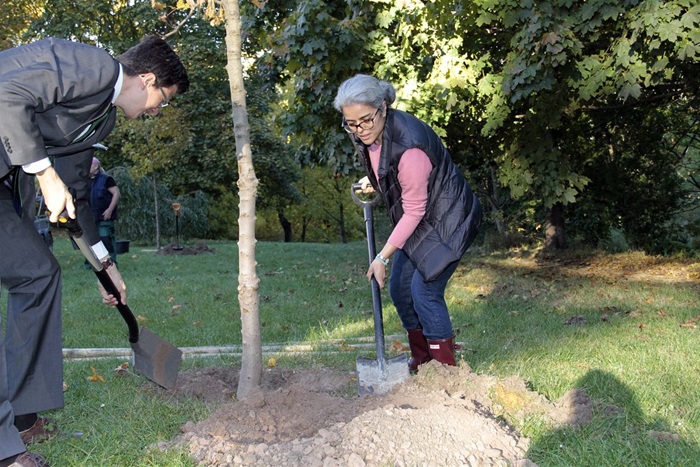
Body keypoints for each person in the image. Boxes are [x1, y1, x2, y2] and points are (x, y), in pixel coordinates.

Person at [0, 35, 189, 467]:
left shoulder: (100, 120)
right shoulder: (90, 65)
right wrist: (44, 174)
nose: (159, 110)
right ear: (147, 79)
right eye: (164, 98)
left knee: (38, 274)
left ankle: (22, 416)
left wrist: (105, 265)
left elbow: (78, 201)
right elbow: (6, 93)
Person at [334, 74, 482, 374]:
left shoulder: (410, 147)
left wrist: (381, 258)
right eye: (351, 123)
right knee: (400, 290)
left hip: (448, 221)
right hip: (421, 219)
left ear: (383, 107)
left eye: (365, 120)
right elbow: (385, 163)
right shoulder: (372, 132)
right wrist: (374, 180)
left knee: (424, 292)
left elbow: (414, 209)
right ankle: (422, 360)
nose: (359, 129)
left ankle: (445, 374)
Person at [88, 155, 121, 266]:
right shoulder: (85, 180)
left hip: (104, 215)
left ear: (96, 166)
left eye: (90, 164)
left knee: (105, 238)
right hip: (91, 216)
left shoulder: (106, 179)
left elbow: (116, 194)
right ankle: (91, 264)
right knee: (91, 240)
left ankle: (111, 262)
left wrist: (110, 210)